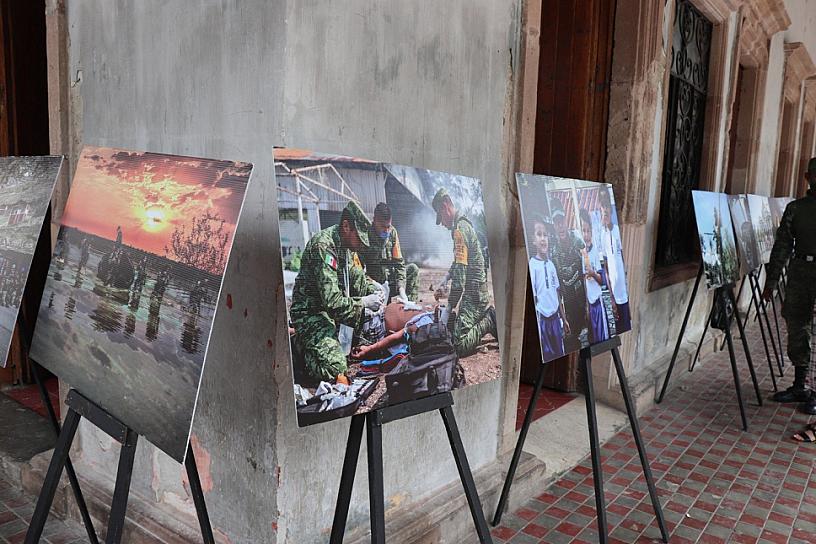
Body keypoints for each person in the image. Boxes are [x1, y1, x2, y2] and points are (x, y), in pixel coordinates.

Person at [290, 201, 384, 382]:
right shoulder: (324, 246)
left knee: (358, 349)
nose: (361, 244)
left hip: (331, 314)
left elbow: (355, 276)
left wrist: (373, 289)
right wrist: (364, 302)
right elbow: (333, 303)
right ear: (346, 226)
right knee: (336, 368)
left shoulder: (344, 246)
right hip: (311, 314)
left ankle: (311, 343)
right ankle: (299, 349)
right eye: (359, 237)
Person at [763, 157, 816, 414]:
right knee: (797, 325)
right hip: (800, 272)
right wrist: (770, 282)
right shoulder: (796, 209)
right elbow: (782, 247)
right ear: (808, 178)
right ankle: (799, 385)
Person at [432, 187, 497, 357]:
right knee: (456, 329)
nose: (443, 224)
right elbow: (459, 263)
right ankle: (487, 317)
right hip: (475, 291)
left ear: (446, 205)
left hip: (474, 295)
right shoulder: (462, 225)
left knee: (458, 345)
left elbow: (460, 281)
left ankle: (489, 319)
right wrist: (446, 278)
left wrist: (449, 307)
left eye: (441, 217)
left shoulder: (460, 230)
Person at [528, 214, 568, 361]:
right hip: (543, 321)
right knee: (547, 356)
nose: (543, 238)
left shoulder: (551, 265)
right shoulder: (532, 266)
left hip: (556, 320)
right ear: (533, 240)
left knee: (560, 354)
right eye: (539, 235)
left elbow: (557, 293)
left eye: (545, 235)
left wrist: (564, 319)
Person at [362, 202, 419, 302]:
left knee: (413, 269)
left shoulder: (392, 233)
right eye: (383, 227)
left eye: (388, 226)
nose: (387, 230)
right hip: (373, 287)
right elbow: (359, 270)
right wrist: (374, 285)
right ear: (375, 221)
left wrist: (401, 288)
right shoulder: (365, 235)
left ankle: (409, 308)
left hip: (390, 282)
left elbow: (399, 264)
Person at [550, 197, 586, 353]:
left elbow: (587, 265)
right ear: (554, 226)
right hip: (569, 301)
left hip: (584, 297)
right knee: (573, 338)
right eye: (557, 223)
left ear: (566, 221)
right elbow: (557, 286)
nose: (560, 226)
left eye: (562, 221)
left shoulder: (577, 240)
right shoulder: (553, 251)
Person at [599, 190, 631, 333]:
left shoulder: (617, 231)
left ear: (611, 212)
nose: (605, 215)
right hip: (613, 293)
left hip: (623, 291)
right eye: (602, 213)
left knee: (624, 323)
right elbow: (605, 265)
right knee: (614, 328)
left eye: (607, 212)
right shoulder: (602, 235)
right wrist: (610, 293)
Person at [580, 208, 608, 344]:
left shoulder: (596, 252)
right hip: (589, 304)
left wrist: (593, 273)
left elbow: (602, 280)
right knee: (591, 340)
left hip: (598, 302)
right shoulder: (580, 254)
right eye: (583, 231)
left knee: (601, 338)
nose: (585, 235)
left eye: (587, 231)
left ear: (591, 231)